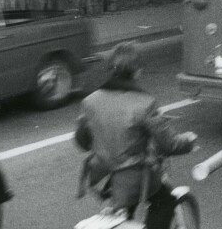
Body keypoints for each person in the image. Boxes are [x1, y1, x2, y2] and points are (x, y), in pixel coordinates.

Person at [75, 41, 197, 229]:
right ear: (137, 71)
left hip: (102, 176)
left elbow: (82, 141)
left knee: (123, 210)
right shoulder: (144, 103)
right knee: (164, 201)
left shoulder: (90, 101)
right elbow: (168, 144)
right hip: (134, 178)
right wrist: (188, 141)